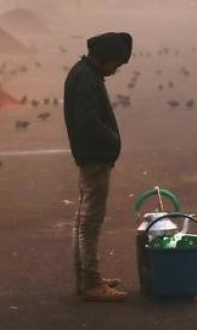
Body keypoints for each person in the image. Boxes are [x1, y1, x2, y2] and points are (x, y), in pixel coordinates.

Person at [64, 31, 132, 302]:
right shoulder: (85, 79)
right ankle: (90, 282)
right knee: (89, 221)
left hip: (93, 155)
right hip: (94, 158)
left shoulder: (86, 74)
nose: (116, 70)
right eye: (116, 64)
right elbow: (88, 122)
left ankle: (87, 276)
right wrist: (112, 139)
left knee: (84, 219)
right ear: (104, 58)